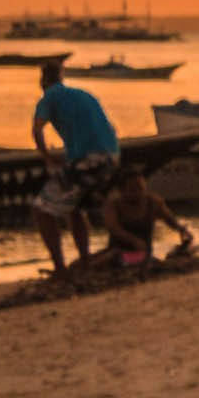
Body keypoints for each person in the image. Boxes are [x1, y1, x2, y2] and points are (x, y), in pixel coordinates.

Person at [28, 54, 124, 272]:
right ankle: (86, 262)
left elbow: (37, 129)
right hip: (111, 157)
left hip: (90, 160)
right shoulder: (84, 94)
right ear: (61, 76)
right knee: (75, 206)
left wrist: (47, 157)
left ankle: (60, 269)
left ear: (42, 81)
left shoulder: (48, 98)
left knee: (42, 210)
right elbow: (109, 129)